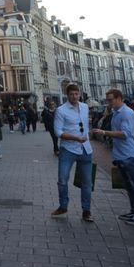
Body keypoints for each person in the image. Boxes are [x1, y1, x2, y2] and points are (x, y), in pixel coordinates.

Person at [92, 89, 134, 225]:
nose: (108, 102)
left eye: (110, 100)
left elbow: (125, 134)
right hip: (121, 154)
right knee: (129, 186)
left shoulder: (126, 113)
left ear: (119, 98)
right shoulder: (116, 113)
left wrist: (105, 132)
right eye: (107, 100)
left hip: (129, 154)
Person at [51, 84, 94, 222]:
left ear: (79, 94)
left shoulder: (85, 107)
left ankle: (86, 211)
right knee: (62, 180)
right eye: (71, 94)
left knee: (87, 183)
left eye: (76, 94)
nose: (74, 96)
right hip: (68, 150)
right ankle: (63, 206)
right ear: (67, 95)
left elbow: (86, 126)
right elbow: (58, 132)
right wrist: (76, 138)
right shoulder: (61, 110)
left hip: (85, 150)